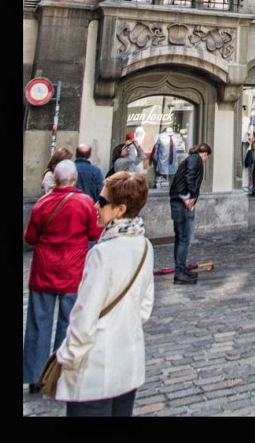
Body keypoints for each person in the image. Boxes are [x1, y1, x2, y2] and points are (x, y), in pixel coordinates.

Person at [54, 171, 154, 416]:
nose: (96, 206)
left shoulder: (102, 253)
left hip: (96, 367)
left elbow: (84, 316)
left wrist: (67, 357)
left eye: (102, 201)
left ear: (120, 210)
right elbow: (144, 307)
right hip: (128, 362)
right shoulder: (145, 246)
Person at [23, 159, 102, 392]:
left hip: (44, 268)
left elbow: (30, 238)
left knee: (38, 323)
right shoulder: (84, 202)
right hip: (72, 269)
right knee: (69, 323)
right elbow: (94, 232)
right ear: (74, 179)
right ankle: (59, 372)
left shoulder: (42, 203)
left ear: (54, 179)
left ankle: (35, 375)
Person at [168, 143, 212, 284]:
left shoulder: (191, 159)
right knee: (184, 238)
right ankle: (179, 273)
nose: (206, 160)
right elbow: (190, 177)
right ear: (205, 154)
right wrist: (190, 197)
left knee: (182, 237)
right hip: (182, 203)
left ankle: (181, 269)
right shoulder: (195, 159)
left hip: (180, 201)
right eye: (207, 157)